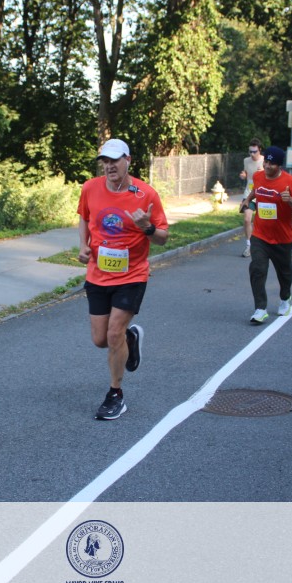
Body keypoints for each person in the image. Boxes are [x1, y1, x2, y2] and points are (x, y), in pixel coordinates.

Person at [77, 138, 169, 420]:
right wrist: (83, 245)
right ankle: (130, 337)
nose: (109, 166)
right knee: (100, 339)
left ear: (128, 160)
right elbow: (84, 217)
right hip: (98, 274)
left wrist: (147, 227)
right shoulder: (90, 188)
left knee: (113, 333)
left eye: (114, 160)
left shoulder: (146, 194)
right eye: (105, 161)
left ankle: (115, 394)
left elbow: (163, 238)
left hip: (132, 274)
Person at [245, 146, 292, 325]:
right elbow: (256, 190)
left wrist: (290, 200)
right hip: (260, 235)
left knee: (284, 273)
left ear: (279, 165)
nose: (267, 166)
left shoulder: (290, 182)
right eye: (266, 162)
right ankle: (260, 308)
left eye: (271, 164)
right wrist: (247, 200)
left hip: (282, 238)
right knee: (257, 269)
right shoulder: (258, 176)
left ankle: (285, 298)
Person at [238, 138, 265, 257]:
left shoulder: (265, 160)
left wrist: (264, 171)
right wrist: (243, 175)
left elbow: (273, 175)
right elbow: (245, 173)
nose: (252, 154)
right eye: (250, 152)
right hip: (249, 192)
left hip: (263, 193)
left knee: (263, 221)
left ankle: (264, 244)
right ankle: (249, 245)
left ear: (260, 150)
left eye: (255, 152)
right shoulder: (246, 160)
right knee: (247, 219)